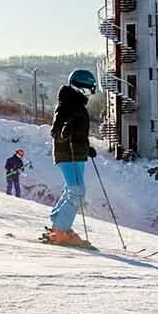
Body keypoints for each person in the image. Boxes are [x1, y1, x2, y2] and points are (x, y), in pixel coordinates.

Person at [44, 69, 99, 243]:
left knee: (72, 190)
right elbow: (56, 131)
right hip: (67, 154)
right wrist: (63, 132)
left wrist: (86, 147)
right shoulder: (66, 105)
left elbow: (79, 132)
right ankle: (61, 230)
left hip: (77, 153)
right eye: (90, 89)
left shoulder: (78, 106)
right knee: (77, 191)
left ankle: (57, 224)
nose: (91, 93)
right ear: (80, 88)